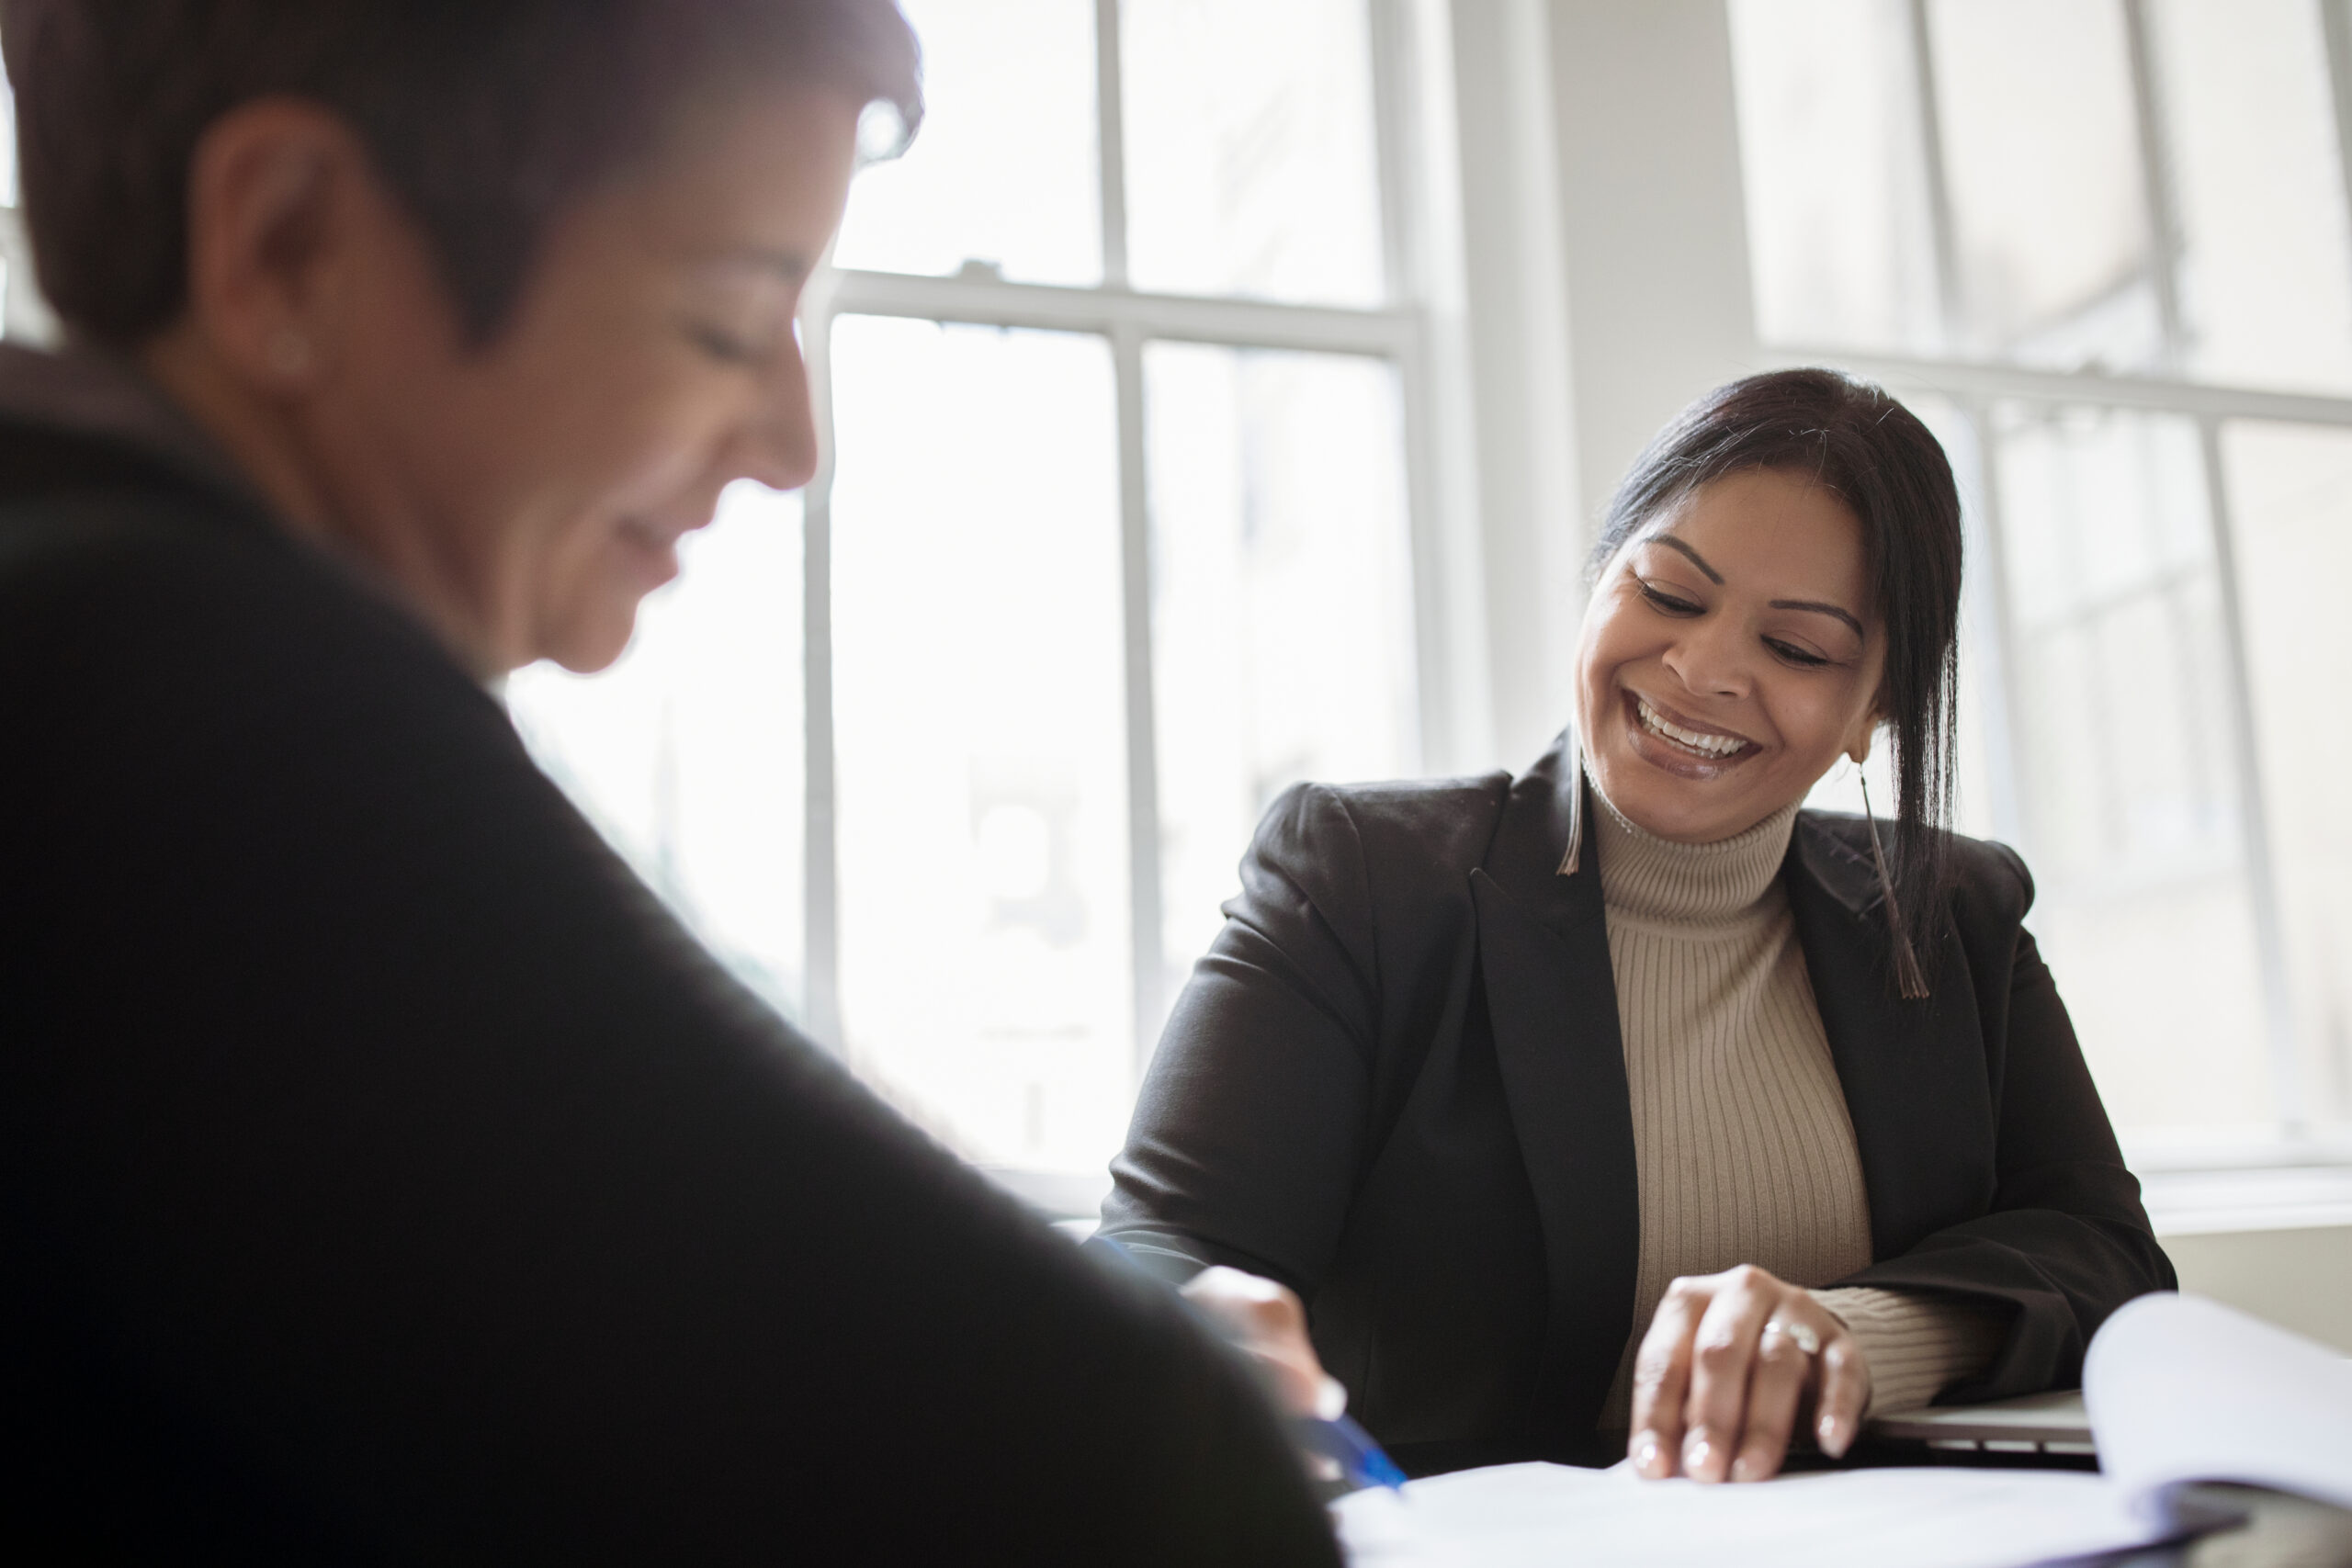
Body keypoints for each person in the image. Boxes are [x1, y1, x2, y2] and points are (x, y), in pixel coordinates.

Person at [0, 2, 1339, 1560]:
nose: (791, 441)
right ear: (292, 243)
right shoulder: (178, 691)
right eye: (723, 319)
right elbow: (1136, 1476)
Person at [1101, 367, 2177, 1484]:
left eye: (1798, 650)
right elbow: (1158, 1252)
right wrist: (1186, 1321)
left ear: (1876, 709)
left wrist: (1862, 1333)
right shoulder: (1362, 880)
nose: (1703, 669)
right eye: (1667, 593)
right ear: (1601, 577)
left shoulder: (1955, 913)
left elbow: (2104, 1254)